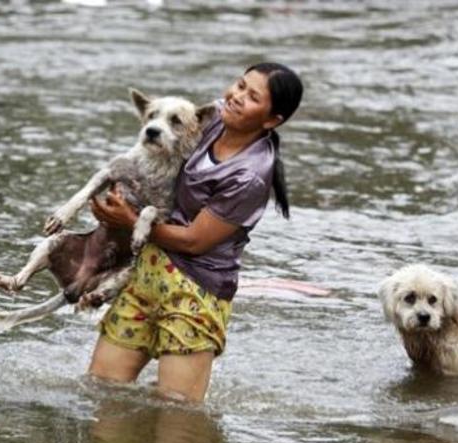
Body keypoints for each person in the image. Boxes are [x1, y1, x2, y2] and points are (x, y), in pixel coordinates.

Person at [85, 63, 304, 402]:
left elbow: (195, 240)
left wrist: (129, 221)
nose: (235, 97)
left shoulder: (250, 176)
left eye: (252, 96)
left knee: (178, 420)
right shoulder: (212, 117)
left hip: (196, 292)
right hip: (148, 274)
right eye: (240, 84)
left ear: (272, 120)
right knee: (101, 394)